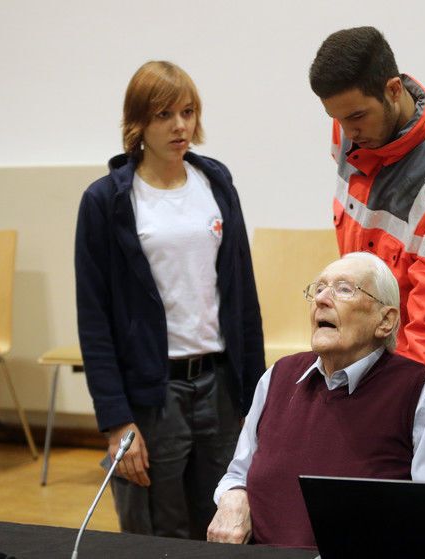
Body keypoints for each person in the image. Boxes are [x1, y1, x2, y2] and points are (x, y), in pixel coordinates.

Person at [75, 60, 264, 539]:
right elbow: (94, 320)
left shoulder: (215, 182)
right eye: (164, 115)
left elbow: (243, 297)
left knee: (223, 521)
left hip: (218, 384)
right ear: (138, 123)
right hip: (154, 394)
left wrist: (255, 398)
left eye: (187, 111)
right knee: (160, 531)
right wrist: (117, 420)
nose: (180, 126)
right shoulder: (108, 200)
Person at [207, 252, 425, 548]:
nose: (322, 299)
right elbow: (237, 473)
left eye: (344, 289)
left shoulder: (422, 392)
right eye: (318, 288)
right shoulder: (277, 377)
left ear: (385, 321)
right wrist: (233, 496)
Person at [308, 27, 425, 423]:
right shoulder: (352, 132)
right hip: (363, 381)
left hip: (415, 404)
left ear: (393, 90)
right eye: (337, 118)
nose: (347, 131)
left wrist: (395, 417)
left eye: (356, 116)